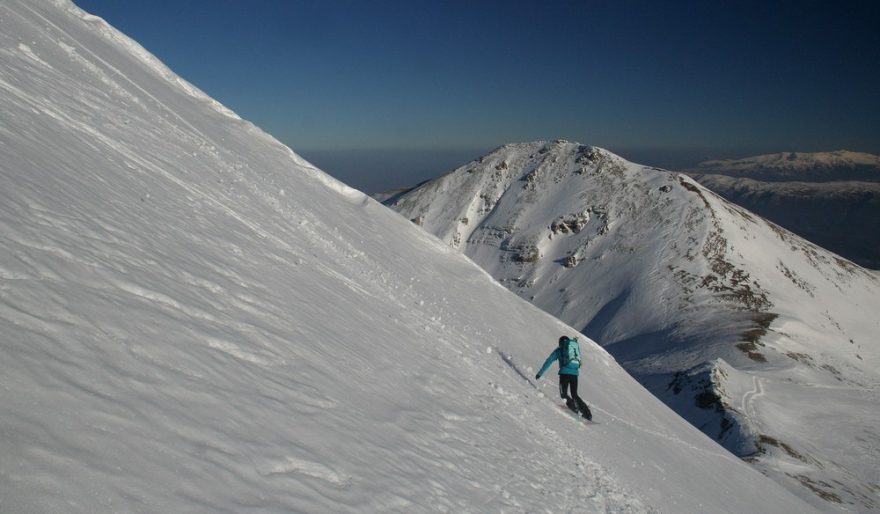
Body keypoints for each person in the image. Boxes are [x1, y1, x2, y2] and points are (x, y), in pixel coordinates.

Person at [535, 335, 592, 420]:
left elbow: (549, 361)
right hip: (575, 374)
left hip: (564, 374)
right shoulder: (573, 348)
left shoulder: (559, 350)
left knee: (564, 394)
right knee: (574, 394)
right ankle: (587, 414)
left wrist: (540, 373)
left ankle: (574, 409)